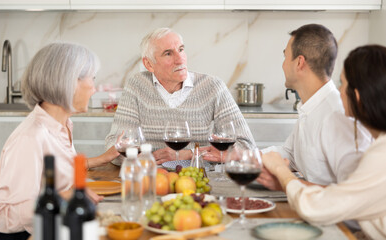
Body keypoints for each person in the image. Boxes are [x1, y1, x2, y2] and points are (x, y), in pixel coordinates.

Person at [0, 43, 120, 239]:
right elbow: (1, 217)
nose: (94, 88)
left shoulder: (62, 125)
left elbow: (59, 177)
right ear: (68, 82)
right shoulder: (31, 137)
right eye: (92, 78)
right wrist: (64, 197)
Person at [262, 44, 386, 239]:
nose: (339, 91)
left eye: (343, 84)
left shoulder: (381, 156)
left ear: (358, 97)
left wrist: (282, 172)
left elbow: (318, 207)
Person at [105, 27, 255, 165]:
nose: (180, 59)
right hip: (153, 176)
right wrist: (141, 159)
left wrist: (189, 154)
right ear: (149, 64)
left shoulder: (213, 86)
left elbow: (246, 147)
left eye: (181, 49)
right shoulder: (136, 86)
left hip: (200, 176)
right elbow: (114, 145)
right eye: (168, 53)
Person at [257, 24, 371, 189]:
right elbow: (290, 154)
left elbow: (353, 193)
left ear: (299, 62)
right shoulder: (311, 106)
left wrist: (286, 183)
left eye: (285, 56)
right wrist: (242, 157)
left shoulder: (338, 115)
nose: (283, 65)